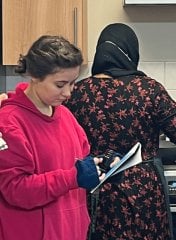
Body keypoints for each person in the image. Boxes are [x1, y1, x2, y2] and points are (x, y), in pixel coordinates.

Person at [64, 23, 176, 240]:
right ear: (131, 52)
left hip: (96, 184)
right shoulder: (149, 89)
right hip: (143, 190)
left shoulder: (77, 91)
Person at [0, 35, 104, 240]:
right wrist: (73, 177)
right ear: (35, 76)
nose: (68, 93)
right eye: (60, 84)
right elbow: (16, 190)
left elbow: (81, 160)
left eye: (72, 83)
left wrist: (103, 167)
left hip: (71, 229)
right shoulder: (9, 122)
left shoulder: (64, 115)